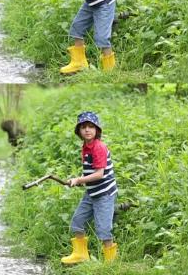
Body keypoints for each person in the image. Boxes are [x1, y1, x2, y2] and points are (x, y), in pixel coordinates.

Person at [61, 111, 118, 264]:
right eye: (84, 127)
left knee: (103, 230)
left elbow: (99, 174)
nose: (87, 130)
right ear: (79, 131)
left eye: (91, 127)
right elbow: (90, 172)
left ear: (97, 130)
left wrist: (79, 180)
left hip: (104, 194)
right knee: (77, 222)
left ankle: (110, 264)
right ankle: (81, 255)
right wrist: (78, 181)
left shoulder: (98, 147)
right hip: (92, 193)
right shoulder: (86, 146)